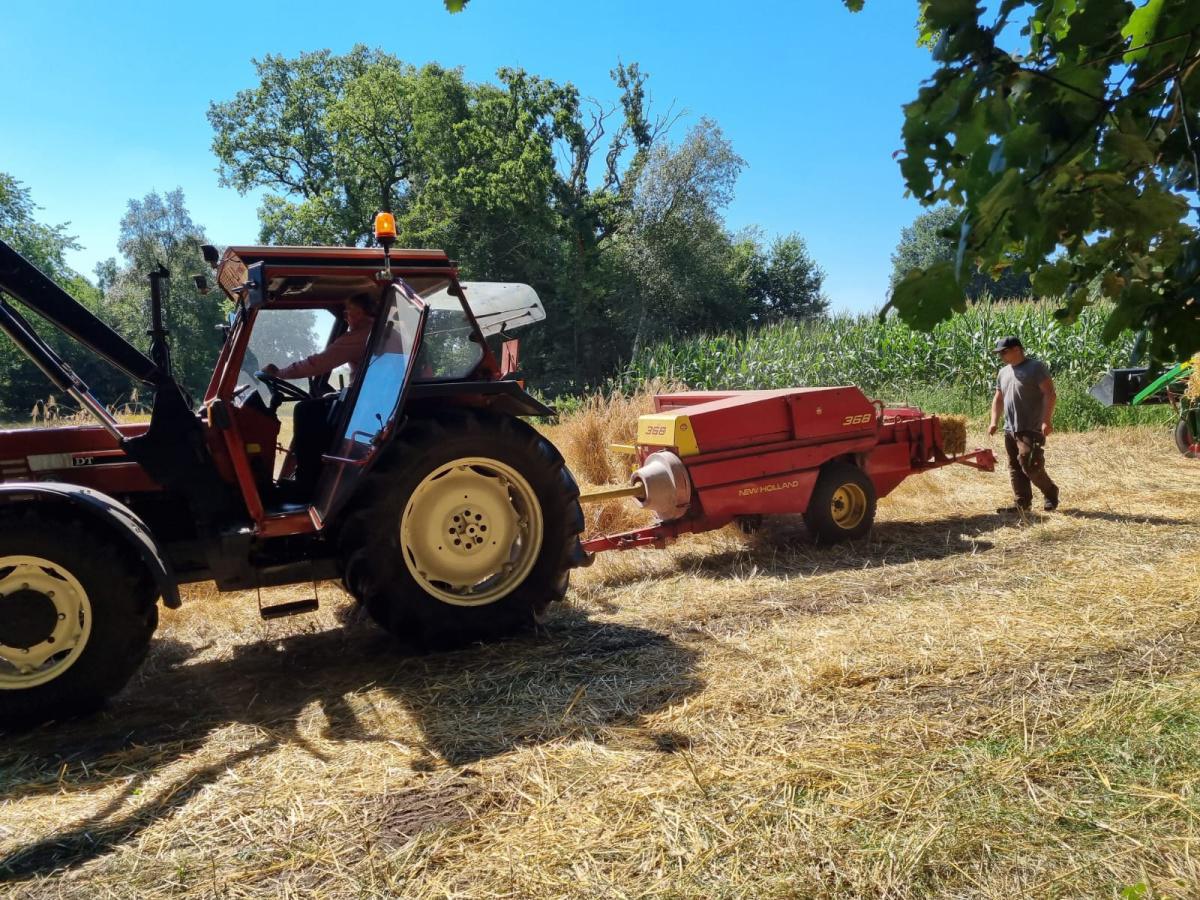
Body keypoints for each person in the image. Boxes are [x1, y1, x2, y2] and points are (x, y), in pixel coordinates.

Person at [263, 292, 377, 497]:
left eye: (347, 312)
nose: (346, 317)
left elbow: (319, 363)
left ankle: (307, 484)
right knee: (317, 406)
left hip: (369, 403)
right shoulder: (378, 332)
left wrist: (280, 373)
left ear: (359, 312)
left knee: (306, 411)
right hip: (368, 399)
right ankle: (309, 477)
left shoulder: (363, 335)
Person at [987, 335, 1059, 512]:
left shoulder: (1036, 368)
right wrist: (994, 421)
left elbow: (1050, 394)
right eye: (999, 353)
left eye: (1004, 352)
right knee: (1015, 466)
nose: (1001, 356)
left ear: (1017, 349)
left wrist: (1046, 420)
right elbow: (998, 398)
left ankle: (1050, 492)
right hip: (1010, 428)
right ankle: (1022, 502)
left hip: (1031, 427)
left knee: (1030, 464)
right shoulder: (1003, 372)